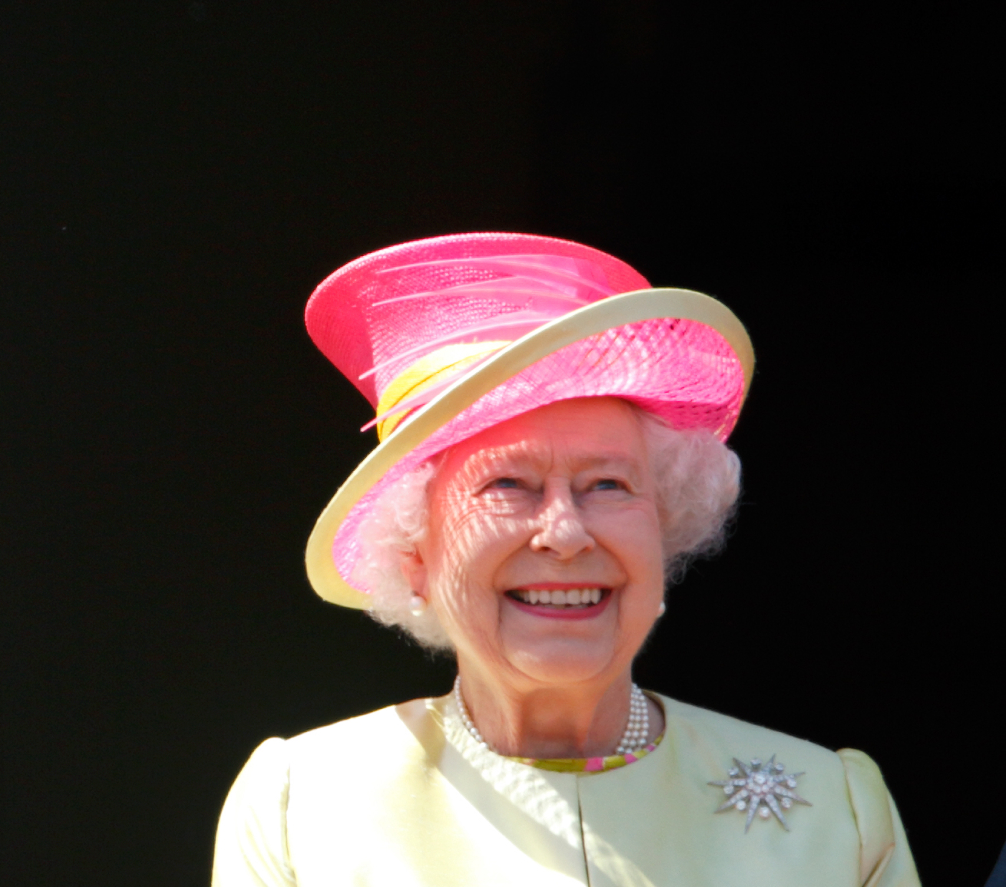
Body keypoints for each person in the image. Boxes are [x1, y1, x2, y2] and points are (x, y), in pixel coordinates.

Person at [211, 233, 915, 886]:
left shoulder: (834, 810)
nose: (565, 533)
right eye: (507, 484)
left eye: (607, 484)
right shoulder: (303, 806)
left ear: (662, 531)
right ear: (413, 552)